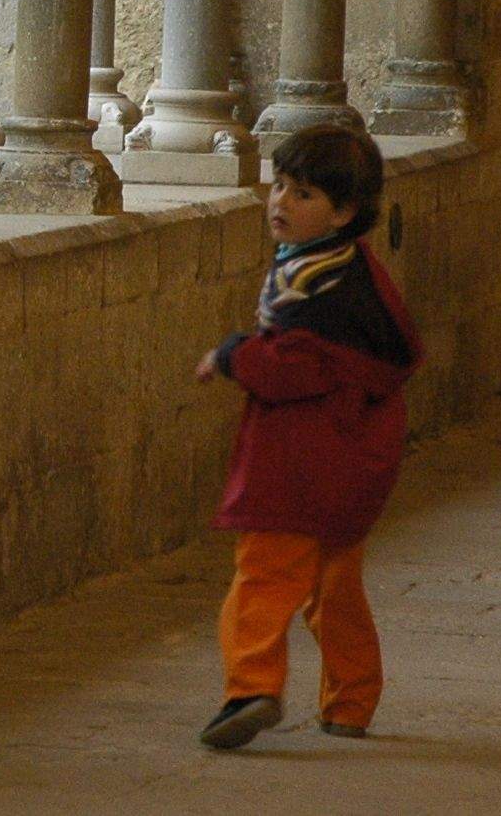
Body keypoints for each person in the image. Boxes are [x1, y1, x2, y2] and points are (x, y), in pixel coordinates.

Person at [194, 125, 421, 751]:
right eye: (279, 186)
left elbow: (294, 366)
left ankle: (251, 687)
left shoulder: (317, 290)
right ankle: (351, 702)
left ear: (344, 211)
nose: (280, 203)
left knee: (262, 577)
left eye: (303, 194)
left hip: (301, 464)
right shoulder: (351, 273)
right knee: (334, 587)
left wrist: (235, 355)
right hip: (350, 464)